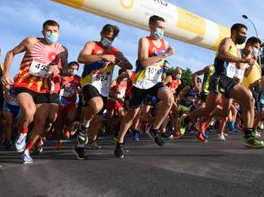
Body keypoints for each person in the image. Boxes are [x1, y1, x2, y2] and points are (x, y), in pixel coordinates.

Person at [179, 23, 264, 148]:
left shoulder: (236, 49)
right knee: (209, 109)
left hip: (229, 81)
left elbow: (240, 68)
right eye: (242, 33)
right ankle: (248, 135)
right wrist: (244, 60)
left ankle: (249, 134)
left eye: (246, 34)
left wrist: (248, 61)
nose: (244, 36)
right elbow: (222, 54)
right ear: (234, 32)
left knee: (242, 104)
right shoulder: (227, 40)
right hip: (220, 77)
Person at [1, 20, 69, 164]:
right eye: (48, 31)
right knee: (29, 111)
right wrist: (6, 72)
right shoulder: (31, 41)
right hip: (25, 82)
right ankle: (22, 134)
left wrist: (60, 70)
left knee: (41, 121)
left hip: (44, 87)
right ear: (43, 32)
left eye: (55, 31)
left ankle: (27, 151)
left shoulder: (62, 49)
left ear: (59, 33)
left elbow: (68, 70)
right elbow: (11, 53)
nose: (51, 34)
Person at [114, 15, 175, 158]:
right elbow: (144, 61)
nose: (161, 30)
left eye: (163, 28)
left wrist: (165, 65)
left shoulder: (165, 43)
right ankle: (120, 141)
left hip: (155, 81)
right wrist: (165, 54)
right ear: (151, 27)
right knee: (131, 116)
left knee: (169, 99)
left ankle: (155, 129)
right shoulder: (144, 41)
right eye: (159, 27)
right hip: (141, 82)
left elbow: (159, 62)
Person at [74, 24, 132, 160]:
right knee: (97, 105)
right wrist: (102, 57)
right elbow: (81, 58)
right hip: (89, 82)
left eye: (112, 38)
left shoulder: (115, 51)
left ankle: (81, 146)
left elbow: (128, 66)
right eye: (107, 36)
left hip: (103, 87)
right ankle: (83, 127)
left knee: (98, 118)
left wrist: (116, 60)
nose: (109, 40)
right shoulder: (92, 45)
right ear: (101, 33)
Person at [54, 61, 81, 150]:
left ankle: (66, 128)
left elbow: (82, 89)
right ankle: (58, 141)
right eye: (72, 68)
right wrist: (63, 86)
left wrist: (77, 90)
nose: (74, 70)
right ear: (68, 68)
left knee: (70, 118)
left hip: (71, 102)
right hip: (60, 102)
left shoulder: (78, 78)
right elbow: (55, 86)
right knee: (58, 123)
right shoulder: (63, 76)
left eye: (76, 69)